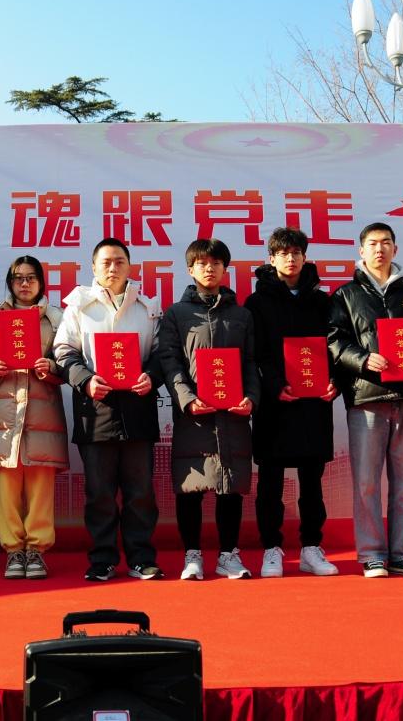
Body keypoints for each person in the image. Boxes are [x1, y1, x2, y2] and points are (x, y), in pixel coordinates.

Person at [330, 223, 403, 578]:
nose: (380, 249)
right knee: (366, 482)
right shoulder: (346, 295)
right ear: (361, 251)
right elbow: (334, 341)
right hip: (367, 397)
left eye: (386, 243)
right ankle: (372, 554)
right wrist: (363, 360)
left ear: (395, 249)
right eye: (373, 244)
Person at [54, 237, 164, 581]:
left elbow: (161, 353)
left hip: (137, 410)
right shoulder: (78, 306)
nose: (113, 268)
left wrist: (152, 376)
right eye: (106, 262)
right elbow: (63, 351)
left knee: (140, 493)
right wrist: (85, 380)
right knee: (99, 494)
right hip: (96, 410)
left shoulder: (147, 307)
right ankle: (102, 559)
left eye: (119, 261)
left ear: (130, 267)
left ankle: (141, 558)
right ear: (93, 267)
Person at [158, 239, 259, 580]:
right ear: (190, 269)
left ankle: (229, 555)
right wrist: (187, 398)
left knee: (230, 486)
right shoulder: (176, 314)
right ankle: (193, 555)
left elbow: (250, 363)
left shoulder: (242, 315)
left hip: (233, 415)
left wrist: (251, 397)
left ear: (225, 269)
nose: (209, 268)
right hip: (195, 417)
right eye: (202, 263)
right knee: (191, 488)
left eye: (216, 263)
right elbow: (170, 361)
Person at [245, 227, 340, 578]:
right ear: (272, 259)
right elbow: (255, 353)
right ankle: (272, 548)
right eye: (283, 253)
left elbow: (336, 347)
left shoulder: (322, 301)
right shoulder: (257, 303)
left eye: (296, 252)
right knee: (270, 480)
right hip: (275, 403)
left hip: (314, 403)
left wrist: (334, 382)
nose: (291, 258)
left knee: (312, 480)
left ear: (305, 257)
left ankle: (311, 547)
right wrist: (274, 385)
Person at [0, 256, 69, 579]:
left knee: (41, 485)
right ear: (10, 283)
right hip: (3, 415)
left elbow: (68, 361)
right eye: (18, 278)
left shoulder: (56, 319)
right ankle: (14, 550)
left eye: (31, 278)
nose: (25, 284)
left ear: (41, 282)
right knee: (6, 485)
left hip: (42, 412)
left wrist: (51, 367)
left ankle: (37, 550)